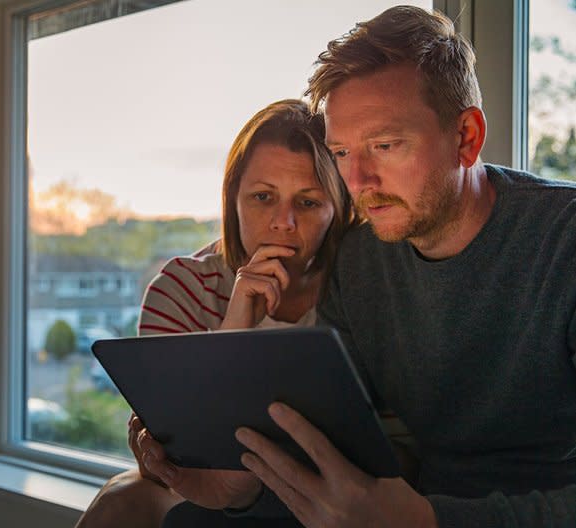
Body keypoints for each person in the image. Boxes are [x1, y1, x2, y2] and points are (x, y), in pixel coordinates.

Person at [149, 5, 576, 528]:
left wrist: (425, 523)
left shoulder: (564, 243)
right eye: (343, 152)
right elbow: (329, 440)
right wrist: (235, 494)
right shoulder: (359, 262)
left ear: (466, 136)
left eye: (384, 146)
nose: (359, 181)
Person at [73, 99, 358, 528]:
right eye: (263, 197)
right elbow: (172, 459)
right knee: (123, 496)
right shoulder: (182, 288)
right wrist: (234, 329)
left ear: (337, 209)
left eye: (307, 202)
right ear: (234, 200)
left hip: (337, 499)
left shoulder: (364, 285)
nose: (283, 222)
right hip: (220, 497)